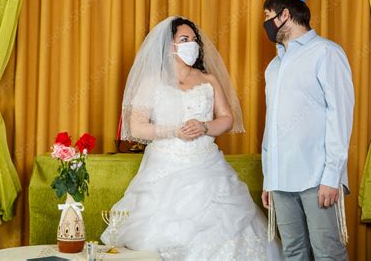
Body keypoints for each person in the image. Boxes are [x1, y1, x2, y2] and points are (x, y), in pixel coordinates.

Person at [101, 16, 283, 260]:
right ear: (168, 45)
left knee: (224, 226)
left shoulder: (208, 79)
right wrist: (172, 130)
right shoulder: (151, 81)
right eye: (184, 39)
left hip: (207, 165)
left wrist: (205, 126)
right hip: (164, 165)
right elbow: (136, 127)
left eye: (194, 40)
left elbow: (227, 118)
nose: (192, 44)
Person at [260, 0, 354, 260]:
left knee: (327, 252)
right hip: (280, 179)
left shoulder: (326, 53)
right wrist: (269, 178)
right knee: (293, 251)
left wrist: (332, 176)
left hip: (317, 177)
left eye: (268, 16)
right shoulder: (273, 67)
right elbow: (271, 125)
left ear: (285, 14)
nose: (265, 24)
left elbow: (340, 115)